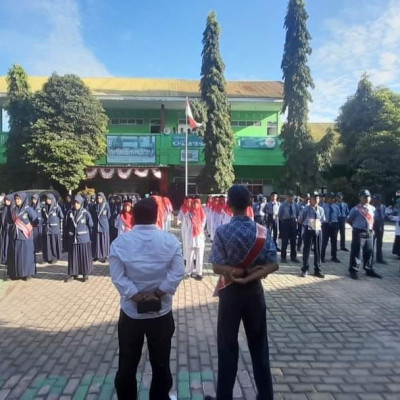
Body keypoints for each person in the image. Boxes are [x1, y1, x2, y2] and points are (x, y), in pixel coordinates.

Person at [207, 185, 278, 400]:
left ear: (228, 205)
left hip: (230, 293)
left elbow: (216, 267)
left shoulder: (222, 231)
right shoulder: (262, 231)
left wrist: (233, 272)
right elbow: (273, 264)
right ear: (250, 204)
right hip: (254, 293)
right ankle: (265, 396)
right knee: (259, 346)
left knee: (227, 347)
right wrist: (250, 275)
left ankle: (224, 397)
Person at [110, 198, 184, 400]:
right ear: (156, 215)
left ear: (132, 217)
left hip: (131, 314)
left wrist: (136, 295)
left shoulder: (120, 243)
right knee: (161, 364)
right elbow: (178, 272)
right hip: (161, 313)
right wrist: (158, 293)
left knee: (127, 363)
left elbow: (117, 277)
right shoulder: (170, 241)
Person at [347, 189, 382, 280]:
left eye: (368, 197)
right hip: (359, 231)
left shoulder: (372, 208)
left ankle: (368, 268)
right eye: (365, 197)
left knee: (369, 251)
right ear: (360, 198)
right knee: (357, 251)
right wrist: (355, 227)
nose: (367, 198)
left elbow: (373, 220)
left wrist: (372, 229)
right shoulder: (356, 209)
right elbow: (349, 220)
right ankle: (353, 270)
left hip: (369, 232)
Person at [6, 192, 38, 281]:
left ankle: (27, 274)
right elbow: (9, 220)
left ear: (23, 199)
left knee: (26, 256)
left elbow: (36, 221)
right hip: (15, 236)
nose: (17, 201)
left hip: (25, 237)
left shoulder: (28, 209)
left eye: (19, 199)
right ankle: (14, 274)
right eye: (16, 199)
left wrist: (28, 227)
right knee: (14, 255)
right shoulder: (12, 210)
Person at [64, 195, 94, 282]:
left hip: (83, 239)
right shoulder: (69, 213)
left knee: (83, 257)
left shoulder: (86, 213)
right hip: (73, 238)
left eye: (77, 203)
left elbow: (91, 224)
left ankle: (85, 274)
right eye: (74, 203)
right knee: (73, 257)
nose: (75, 205)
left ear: (81, 204)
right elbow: (66, 225)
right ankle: (73, 273)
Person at [299, 192, 325, 278]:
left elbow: (323, 219)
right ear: (311, 200)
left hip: (318, 230)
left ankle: (317, 269)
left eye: (318, 198)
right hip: (308, 230)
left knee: (318, 250)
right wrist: (307, 225)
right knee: (307, 250)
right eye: (315, 198)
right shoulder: (305, 209)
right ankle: (305, 269)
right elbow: (300, 220)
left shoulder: (321, 209)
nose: (316, 200)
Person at [187, 196, 206, 280]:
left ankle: (199, 273)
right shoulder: (188, 213)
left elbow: (202, 225)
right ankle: (188, 272)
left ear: (200, 204)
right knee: (189, 255)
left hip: (199, 237)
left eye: (197, 203)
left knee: (199, 256)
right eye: (193, 203)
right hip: (190, 237)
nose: (195, 205)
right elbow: (187, 225)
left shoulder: (203, 214)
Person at [41, 193, 64, 264]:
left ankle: (54, 257)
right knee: (47, 244)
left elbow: (61, 216)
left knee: (54, 244)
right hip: (47, 229)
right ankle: (47, 257)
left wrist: (58, 225)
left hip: (54, 229)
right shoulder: (44, 207)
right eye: (47, 199)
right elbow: (43, 216)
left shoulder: (57, 207)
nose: (48, 201)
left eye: (49, 199)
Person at [278, 190, 300, 263]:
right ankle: (283, 257)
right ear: (287, 197)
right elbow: (280, 215)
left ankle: (293, 257)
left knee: (293, 241)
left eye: (292, 196)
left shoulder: (295, 205)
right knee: (285, 241)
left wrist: (295, 220)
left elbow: (298, 213)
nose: (291, 198)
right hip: (285, 223)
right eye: (289, 196)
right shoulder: (283, 205)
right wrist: (284, 221)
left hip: (293, 222)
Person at [91, 192, 111, 263]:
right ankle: (96, 255)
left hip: (104, 227)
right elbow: (92, 215)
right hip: (96, 227)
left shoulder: (106, 206)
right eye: (97, 198)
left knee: (103, 242)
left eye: (100, 198)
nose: (99, 199)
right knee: (96, 242)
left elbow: (108, 216)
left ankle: (104, 256)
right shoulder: (94, 206)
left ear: (103, 198)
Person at [321, 193, 341, 263]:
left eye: (333, 198)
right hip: (326, 224)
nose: (332, 199)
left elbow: (338, 216)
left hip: (334, 224)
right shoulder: (323, 207)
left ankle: (334, 256)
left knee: (334, 241)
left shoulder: (336, 207)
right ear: (327, 198)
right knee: (324, 241)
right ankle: (322, 257)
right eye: (330, 198)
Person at [372, 194, 386, 264]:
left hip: (381, 224)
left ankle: (379, 257)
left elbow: (383, 216)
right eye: (374, 199)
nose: (375, 200)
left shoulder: (383, 207)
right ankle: (370, 257)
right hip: (374, 224)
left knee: (380, 242)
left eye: (376, 199)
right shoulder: (371, 207)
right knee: (372, 241)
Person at [0, 194, 13, 265]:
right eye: (5, 200)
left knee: (9, 245)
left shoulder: (13, 209)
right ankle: (3, 258)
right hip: (4, 230)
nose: (7, 202)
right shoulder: (3, 209)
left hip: (10, 230)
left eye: (8, 200)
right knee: (3, 244)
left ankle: (8, 259)